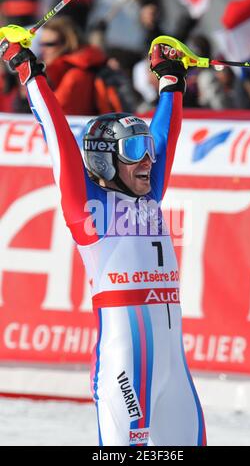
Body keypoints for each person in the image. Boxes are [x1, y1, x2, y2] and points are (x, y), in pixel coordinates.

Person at [0, 32, 206, 446]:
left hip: (175, 371)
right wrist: (27, 68)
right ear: (103, 158)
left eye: (146, 147)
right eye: (133, 149)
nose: (148, 158)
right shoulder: (87, 208)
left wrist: (170, 80)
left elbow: (166, 134)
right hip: (126, 368)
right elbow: (57, 137)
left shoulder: (148, 194)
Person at [38, 16, 138, 115]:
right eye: (41, 44)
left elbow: (53, 113)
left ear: (67, 44)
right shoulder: (60, 71)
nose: (43, 50)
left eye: (49, 44)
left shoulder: (76, 74)